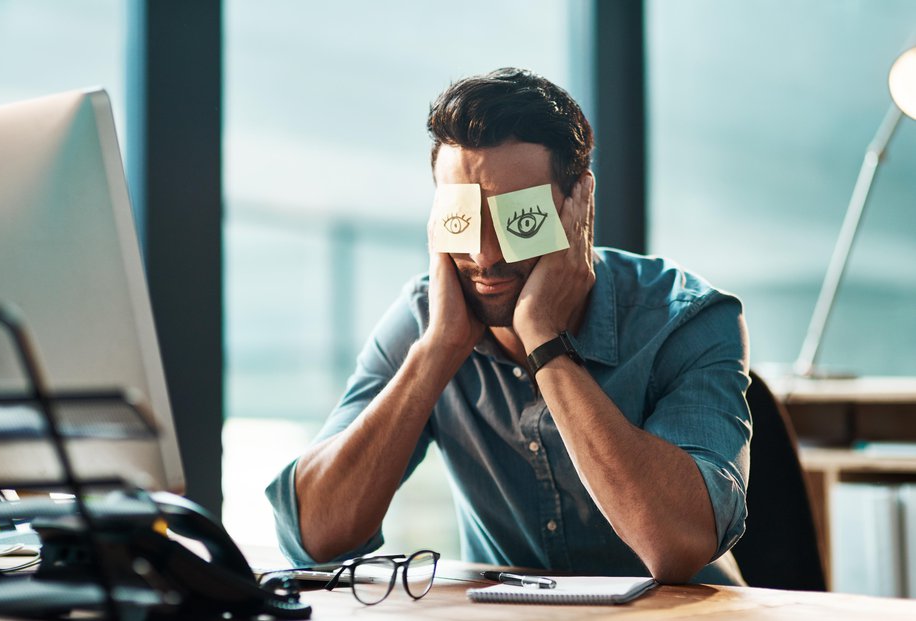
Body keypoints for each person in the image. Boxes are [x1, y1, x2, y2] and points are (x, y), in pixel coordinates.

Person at [267, 68, 751, 585]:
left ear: (578, 204)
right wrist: (437, 351)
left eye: (519, 219)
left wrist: (546, 344)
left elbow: (677, 546)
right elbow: (313, 539)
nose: (485, 255)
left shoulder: (687, 318)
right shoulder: (426, 319)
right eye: (464, 219)